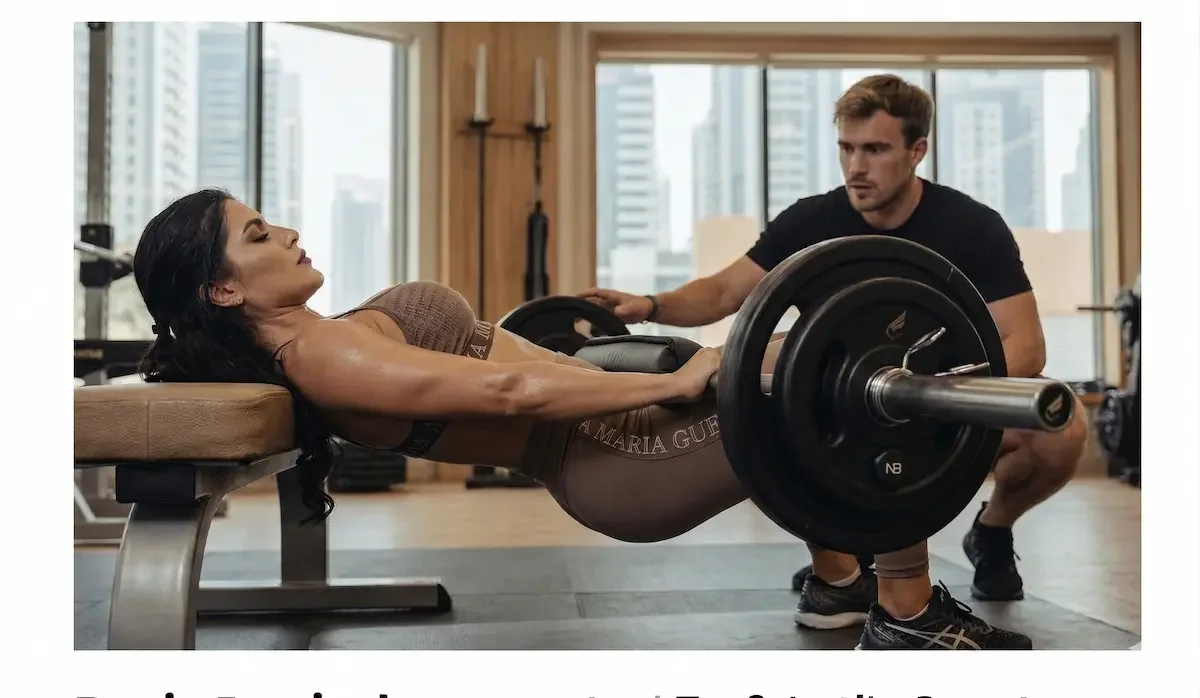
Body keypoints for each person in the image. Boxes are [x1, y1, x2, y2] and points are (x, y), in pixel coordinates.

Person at [579, 74, 1089, 649]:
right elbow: (725, 294)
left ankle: (991, 533)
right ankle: (840, 571)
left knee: (1061, 424)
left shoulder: (970, 226)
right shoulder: (811, 222)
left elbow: (1025, 346)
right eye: (847, 148)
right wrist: (648, 305)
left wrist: (935, 399)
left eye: (875, 149)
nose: (856, 166)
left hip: (939, 399)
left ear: (917, 151)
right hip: (833, 417)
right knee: (780, 395)